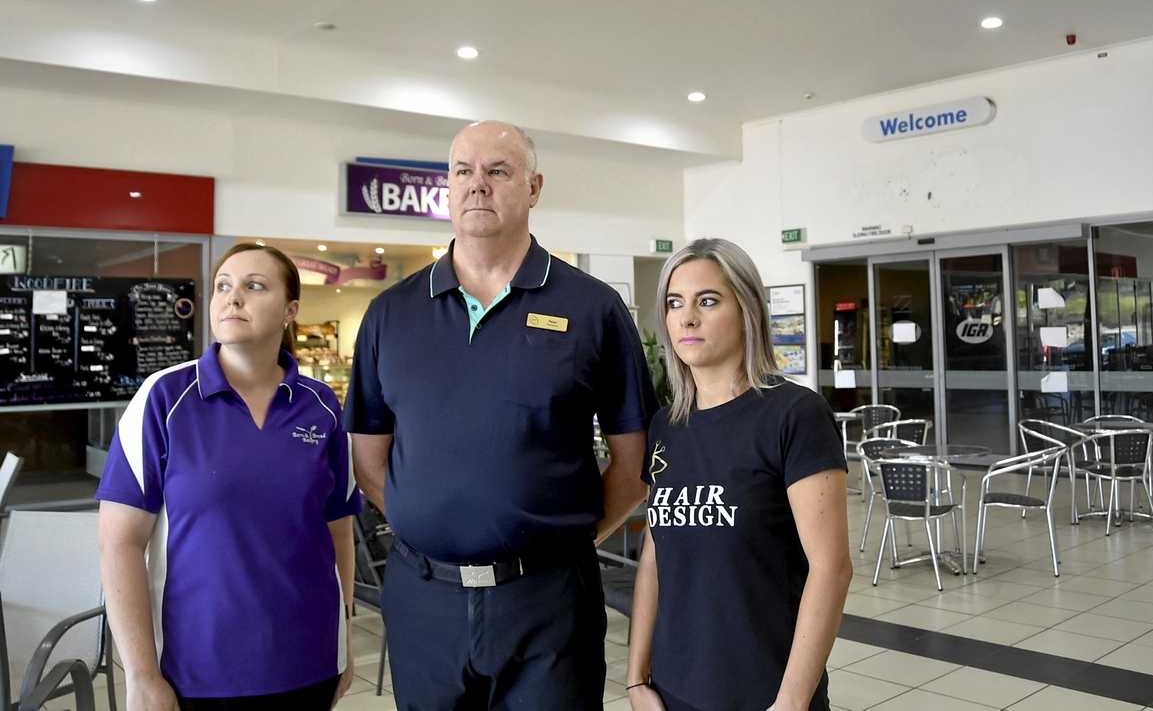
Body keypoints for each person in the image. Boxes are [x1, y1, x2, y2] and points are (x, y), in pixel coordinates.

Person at [344, 120, 657, 709]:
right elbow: (368, 460)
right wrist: (434, 522)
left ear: (534, 187)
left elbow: (633, 459)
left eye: (498, 171)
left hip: (549, 605)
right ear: (447, 186)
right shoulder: (390, 315)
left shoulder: (593, 308)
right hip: (424, 599)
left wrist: (554, 541)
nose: (477, 185)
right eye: (463, 171)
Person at [97, 244, 360, 710]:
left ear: (290, 311)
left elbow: (338, 531)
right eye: (223, 286)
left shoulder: (321, 406)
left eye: (254, 286)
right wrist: (140, 674)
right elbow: (119, 543)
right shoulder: (164, 399)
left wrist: (346, 640)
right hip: (198, 672)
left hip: (310, 662)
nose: (232, 297)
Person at [626, 239, 853, 711]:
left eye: (707, 301)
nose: (687, 317)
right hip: (674, 692)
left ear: (747, 309)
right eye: (674, 303)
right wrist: (635, 679)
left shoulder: (794, 415)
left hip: (764, 693)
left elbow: (831, 570)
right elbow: (654, 555)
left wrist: (790, 702)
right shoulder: (666, 426)